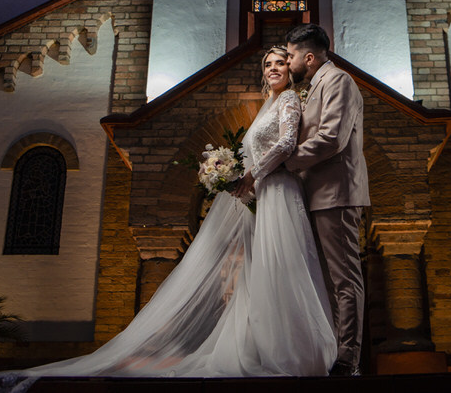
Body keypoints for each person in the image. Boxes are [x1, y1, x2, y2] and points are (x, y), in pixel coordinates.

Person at [17, 46, 336, 379]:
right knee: (261, 271)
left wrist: (250, 177)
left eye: (280, 63)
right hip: (263, 194)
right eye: (267, 64)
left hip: (279, 192)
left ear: (291, 69)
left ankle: (294, 352)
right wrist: (231, 174)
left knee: (282, 266)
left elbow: (286, 144)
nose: (273, 68)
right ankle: (264, 346)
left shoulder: (288, 100)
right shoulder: (268, 104)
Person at [283, 23, 369, 376]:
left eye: (290, 57)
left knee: (344, 279)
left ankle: (348, 359)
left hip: (336, 193)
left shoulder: (339, 82)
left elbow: (331, 138)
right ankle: (332, 351)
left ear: (309, 56)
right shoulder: (314, 85)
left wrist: (285, 161)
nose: (288, 64)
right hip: (317, 194)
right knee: (328, 281)